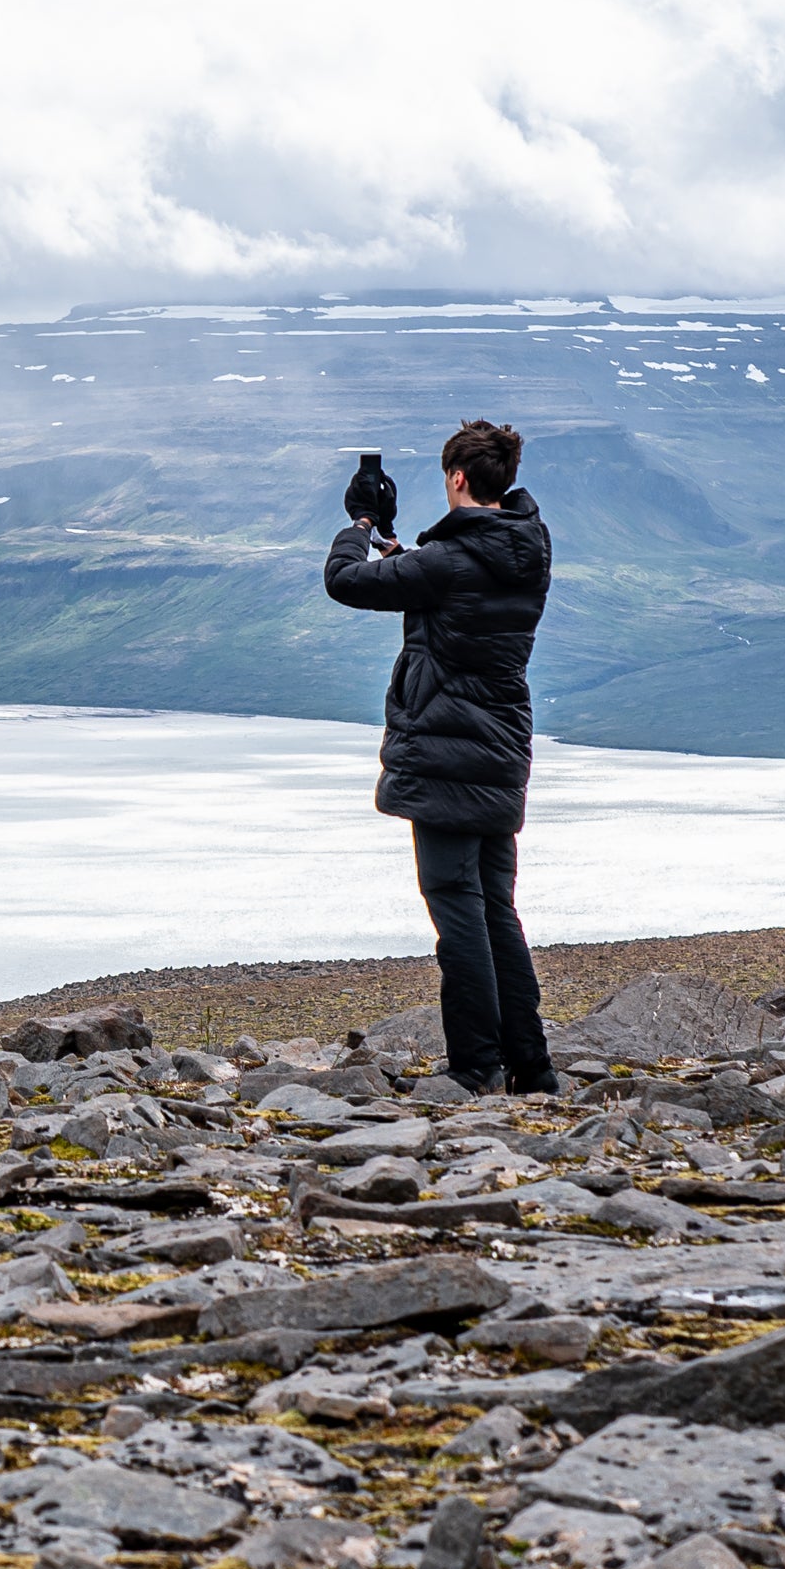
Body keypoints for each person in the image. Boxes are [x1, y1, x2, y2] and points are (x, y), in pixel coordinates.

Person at [323, 417, 555, 1094]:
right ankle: (532, 1068)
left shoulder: (449, 562)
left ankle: (476, 1067)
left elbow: (345, 579)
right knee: (494, 909)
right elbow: (444, 582)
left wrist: (361, 524)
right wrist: (401, 549)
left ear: (456, 478)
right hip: (501, 747)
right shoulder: (525, 548)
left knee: (457, 908)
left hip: (449, 754)